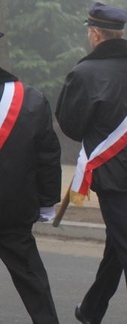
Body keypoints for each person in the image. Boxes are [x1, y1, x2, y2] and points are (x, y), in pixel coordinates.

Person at [55, 2, 127, 324]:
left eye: (90, 32)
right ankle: (92, 310)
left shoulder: (85, 72)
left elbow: (70, 125)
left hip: (111, 174)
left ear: (96, 34)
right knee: (118, 242)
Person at [0, 30, 62, 323]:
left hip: (13, 211)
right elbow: (48, 155)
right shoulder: (30, 99)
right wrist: (47, 202)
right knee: (32, 282)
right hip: (13, 209)